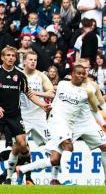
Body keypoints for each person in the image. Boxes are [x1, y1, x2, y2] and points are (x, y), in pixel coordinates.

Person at [14, 65, 106, 185]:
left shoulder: (87, 91)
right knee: (69, 146)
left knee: (55, 159)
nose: (81, 75)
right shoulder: (62, 85)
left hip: (69, 125)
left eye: (83, 74)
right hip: (56, 121)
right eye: (78, 73)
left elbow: (95, 109)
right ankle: (65, 179)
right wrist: (46, 104)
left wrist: (105, 124)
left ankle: (22, 169)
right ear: (72, 74)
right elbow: (51, 93)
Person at [0, 46, 50, 185]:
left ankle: (21, 171)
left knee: (22, 145)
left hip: (15, 115)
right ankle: (10, 177)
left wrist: (42, 105)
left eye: (13, 56)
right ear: (2, 57)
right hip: (1, 115)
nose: (11, 58)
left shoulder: (20, 75)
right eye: (8, 55)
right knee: (15, 147)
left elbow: (29, 93)